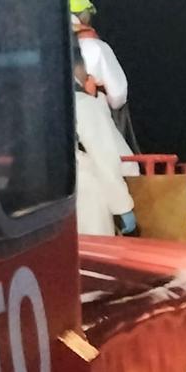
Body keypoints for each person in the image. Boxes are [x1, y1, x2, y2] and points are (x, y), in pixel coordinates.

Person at [72, 37, 137, 236]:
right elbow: (105, 159)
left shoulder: (41, 105)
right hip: (88, 199)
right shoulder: (84, 104)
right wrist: (123, 207)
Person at [70, 0, 140, 172]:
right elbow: (118, 97)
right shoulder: (97, 48)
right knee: (129, 167)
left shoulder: (46, 52)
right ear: (82, 16)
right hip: (94, 120)